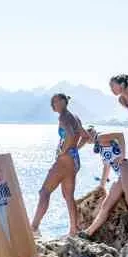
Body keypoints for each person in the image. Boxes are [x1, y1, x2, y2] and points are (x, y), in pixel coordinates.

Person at [77, 126, 128, 239]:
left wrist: (123, 155)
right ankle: (88, 233)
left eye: (85, 137)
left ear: (90, 133)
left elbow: (120, 135)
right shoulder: (100, 145)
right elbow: (106, 168)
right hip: (121, 174)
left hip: (126, 168)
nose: (85, 140)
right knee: (106, 205)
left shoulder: (100, 137)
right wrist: (101, 186)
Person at [30, 93, 83, 237]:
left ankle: (34, 228)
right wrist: (74, 149)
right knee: (68, 196)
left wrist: (62, 151)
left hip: (65, 160)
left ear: (64, 101)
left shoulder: (64, 117)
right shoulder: (75, 117)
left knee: (44, 192)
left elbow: (71, 135)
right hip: (74, 160)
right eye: (52, 102)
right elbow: (85, 136)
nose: (54, 104)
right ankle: (74, 231)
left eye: (56, 101)